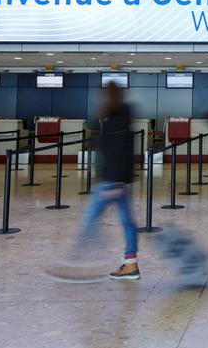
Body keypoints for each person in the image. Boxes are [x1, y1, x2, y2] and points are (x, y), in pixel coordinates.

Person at [47, 81, 139, 282]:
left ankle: (78, 264)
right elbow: (126, 151)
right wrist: (124, 181)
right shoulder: (124, 116)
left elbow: (116, 151)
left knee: (90, 219)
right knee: (127, 222)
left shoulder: (110, 120)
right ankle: (131, 264)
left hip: (111, 181)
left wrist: (114, 183)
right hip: (120, 180)